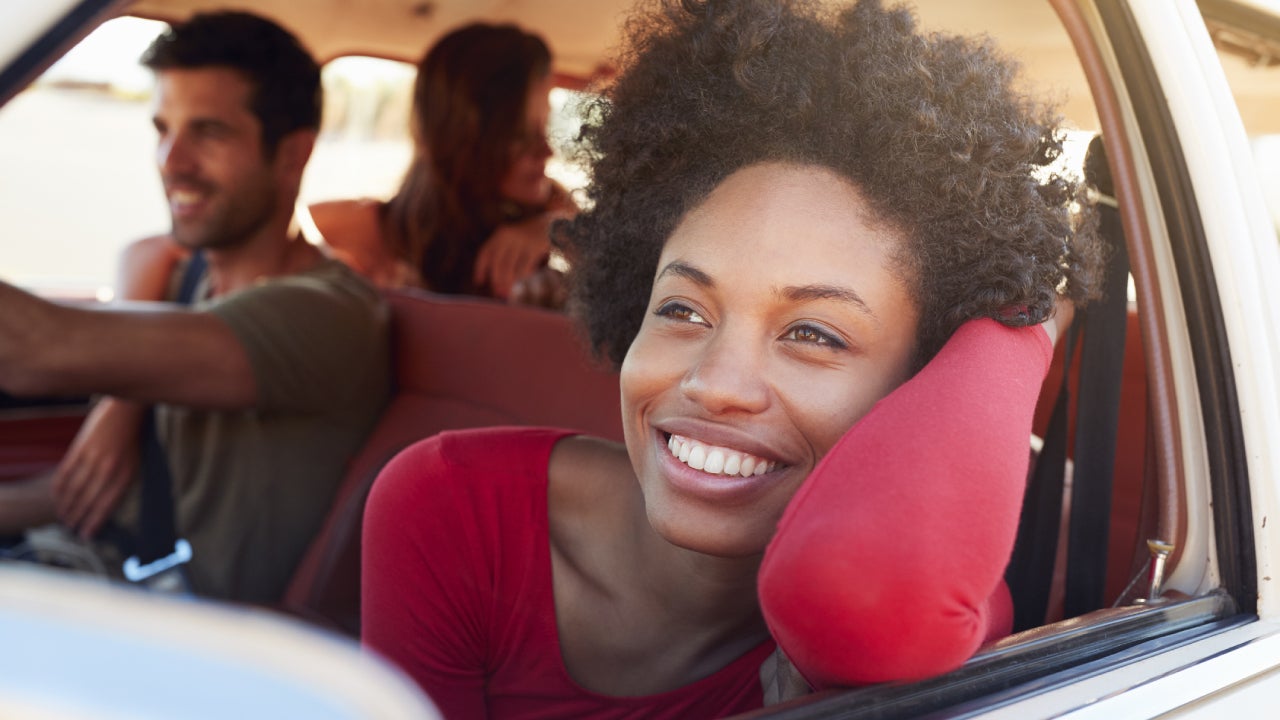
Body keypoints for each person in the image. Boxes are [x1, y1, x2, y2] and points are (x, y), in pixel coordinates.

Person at [359, 0, 1107, 715]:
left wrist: (1026, 315)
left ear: (922, 384)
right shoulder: (449, 507)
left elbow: (880, 600)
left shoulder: (930, 579)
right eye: (683, 310)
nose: (714, 384)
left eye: (814, 334)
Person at [0, 11, 390, 605]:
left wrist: (119, 387)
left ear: (292, 155)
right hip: (74, 566)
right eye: (163, 128)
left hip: (156, 624)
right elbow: (87, 492)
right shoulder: (196, 281)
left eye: (208, 132)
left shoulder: (327, 314)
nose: (171, 161)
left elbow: (34, 350)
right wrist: (123, 395)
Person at [129, 21, 574, 306]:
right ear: (465, 138)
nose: (547, 152)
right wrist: (125, 398)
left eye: (545, 130)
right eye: (521, 135)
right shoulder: (357, 229)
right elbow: (188, 246)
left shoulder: (563, 231)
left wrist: (554, 230)